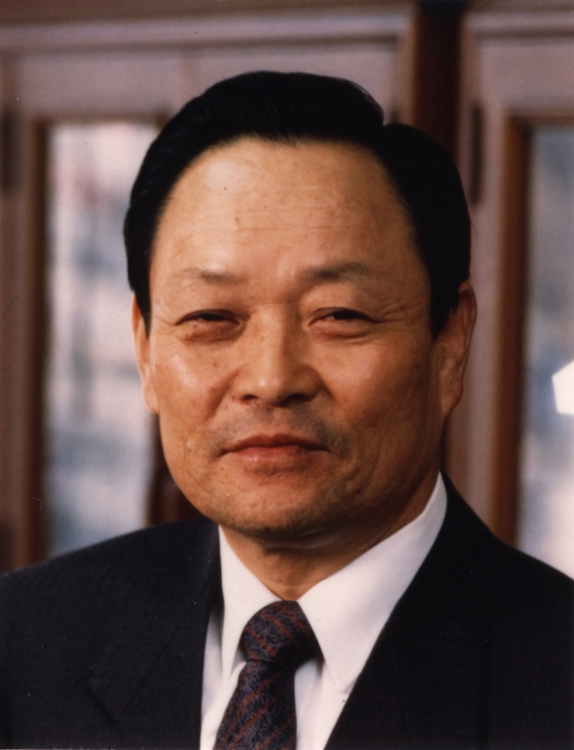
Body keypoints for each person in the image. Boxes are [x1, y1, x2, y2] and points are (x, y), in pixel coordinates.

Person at [0, 71, 572, 750]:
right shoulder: (23, 641)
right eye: (212, 318)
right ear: (146, 348)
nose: (271, 380)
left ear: (449, 343)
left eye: (340, 315)